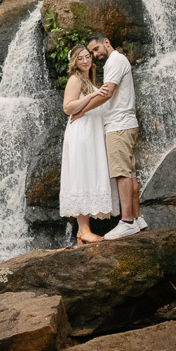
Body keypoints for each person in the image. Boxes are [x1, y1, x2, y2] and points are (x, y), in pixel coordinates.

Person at [73, 32, 147, 240]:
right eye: (91, 52)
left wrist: (82, 110)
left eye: (96, 49)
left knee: (122, 173)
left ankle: (127, 221)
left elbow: (107, 93)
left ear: (106, 42)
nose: (95, 55)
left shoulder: (115, 60)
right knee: (129, 173)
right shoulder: (116, 61)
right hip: (125, 124)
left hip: (118, 125)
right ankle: (137, 218)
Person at [59, 45, 120, 244]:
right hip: (81, 133)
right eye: (80, 58)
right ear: (74, 62)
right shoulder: (75, 79)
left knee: (88, 174)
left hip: (92, 132)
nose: (85, 61)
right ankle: (83, 230)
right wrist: (93, 95)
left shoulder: (90, 80)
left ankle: (82, 232)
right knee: (81, 176)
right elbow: (68, 107)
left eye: (88, 57)